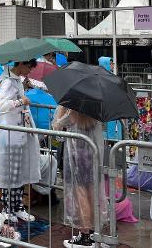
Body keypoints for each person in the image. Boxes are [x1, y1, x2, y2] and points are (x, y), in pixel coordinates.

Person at [0, 60, 41, 225]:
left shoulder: (16, 81)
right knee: (11, 174)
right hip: (10, 135)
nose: (29, 71)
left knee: (19, 173)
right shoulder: (8, 82)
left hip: (19, 133)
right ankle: (8, 208)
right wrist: (20, 102)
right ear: (20, 64)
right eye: (28, 67)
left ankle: (18, 206)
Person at [52, 105, 105, 248]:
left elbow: (58, 127)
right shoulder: (95, 105)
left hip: (78, 153)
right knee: (93, 192)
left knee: (80, 193)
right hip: (93, 153)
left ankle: (85, 234)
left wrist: (61, 111)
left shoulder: (73, 106)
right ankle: (94, 232)